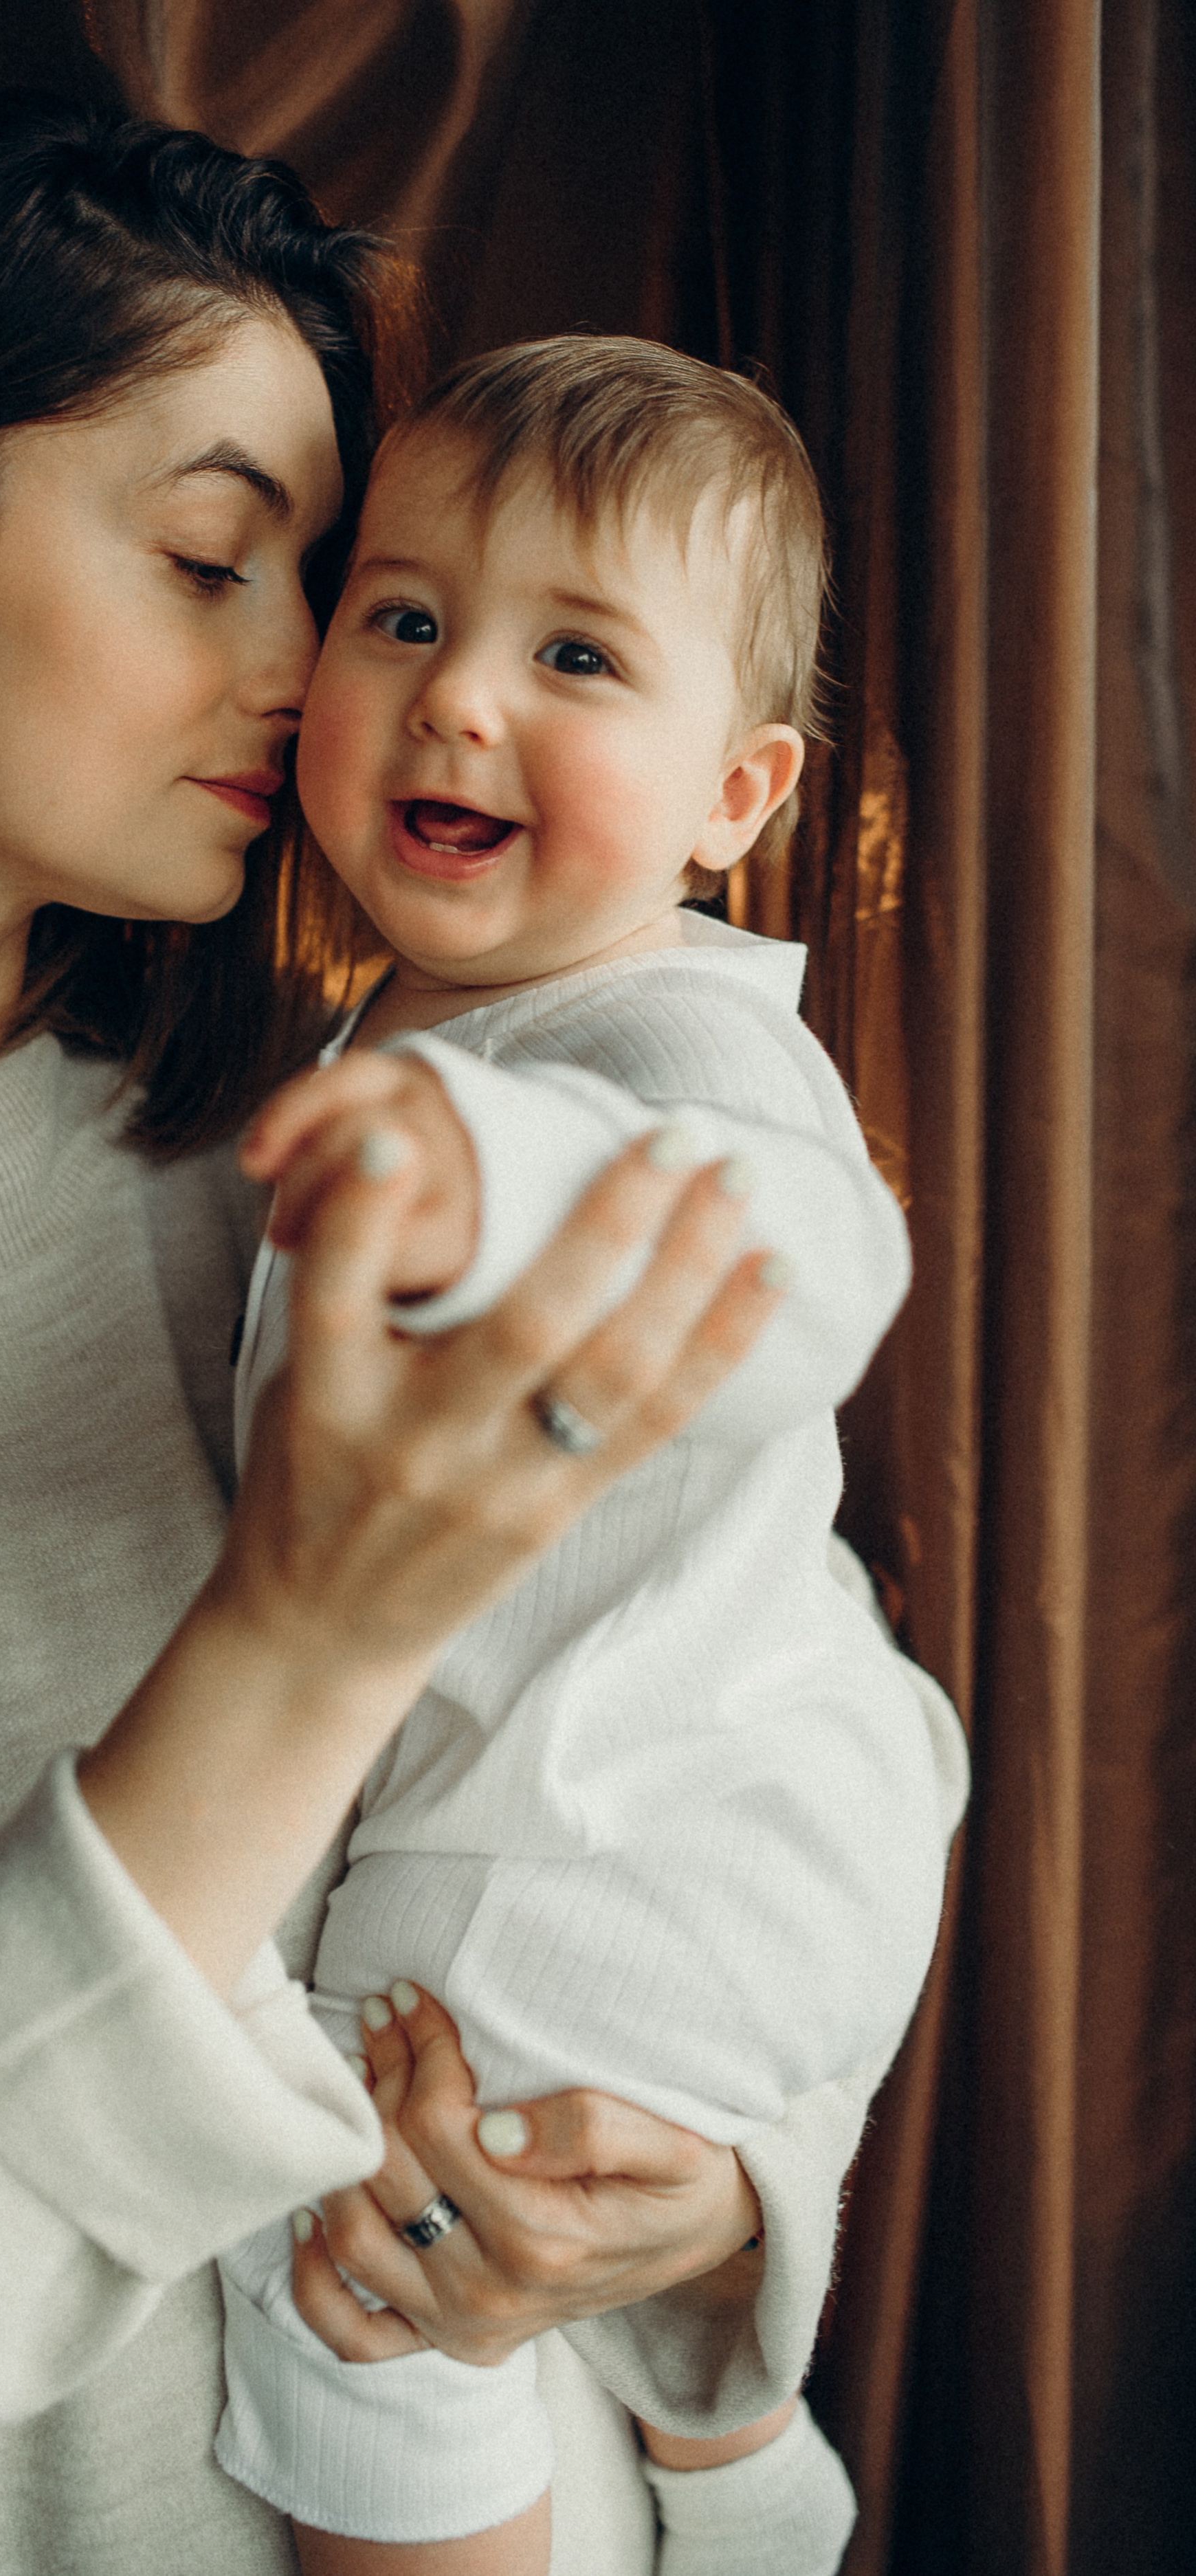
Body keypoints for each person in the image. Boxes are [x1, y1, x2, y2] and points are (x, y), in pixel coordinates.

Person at [0, 93, 896, 2576]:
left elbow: (756, 1688)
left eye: (323, 578)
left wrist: (718, 2184)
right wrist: (295, 1645)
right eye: (218, 558)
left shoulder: (327, 1153)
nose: (318, 665)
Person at [212, 338, 968, 2576]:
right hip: (701, 1802)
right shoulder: (422, 1011)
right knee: (516, 2219)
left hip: (607, 1828)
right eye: (405, 615)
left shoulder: (666, 1039)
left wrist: (498, 1184)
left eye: (576, 656)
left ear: (738, 794)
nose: (458, 699)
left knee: (349, 2270)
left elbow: (816, 1253)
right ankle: (742, 2475)